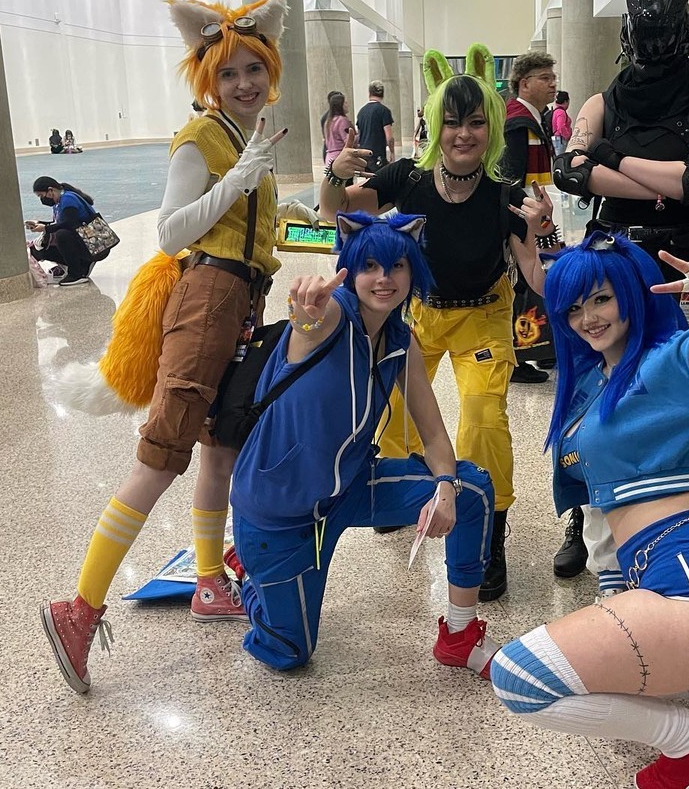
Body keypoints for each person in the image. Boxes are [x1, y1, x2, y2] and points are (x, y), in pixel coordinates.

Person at [40, 0, 291, 693]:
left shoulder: (246, 136)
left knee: (220, 447)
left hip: (240, 300)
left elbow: (243, 225)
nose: (244, 82)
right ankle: (78, 609)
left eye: (254, 69)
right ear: (208, 78)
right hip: (207, 300)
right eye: (229, 72)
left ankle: (209, 579)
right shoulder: (203, 139)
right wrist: (239, 178)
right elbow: (173, 230)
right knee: (161, 454)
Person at [491, 234, 689, 789]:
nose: (587, 318)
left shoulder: (676, 357)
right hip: (657, 575)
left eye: (601, 299)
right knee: (600, 677)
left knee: (518, 677)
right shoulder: (592, 384)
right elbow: (601, 504)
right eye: (573, 307)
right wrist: (613, 589)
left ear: (633, 294)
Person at [319, 44, 555, 603]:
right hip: (420, 316)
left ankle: (488, 528)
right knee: (392, 412)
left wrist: (541, 233)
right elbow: (334, 210)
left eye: (475, 122)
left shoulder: (507, 195)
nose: (463, 134)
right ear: (435, 127)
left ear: (491, 127)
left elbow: (537, 278)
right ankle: (402, 494)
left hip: (485, 316)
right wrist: (332, 173)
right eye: (452, 122)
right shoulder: (409, 178)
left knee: (482, 416)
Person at [231, 211, 500, 675]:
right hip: (280, 510)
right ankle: (249, 575)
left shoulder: (400, 340)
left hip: (350, 488)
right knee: (289, 652)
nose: (383, 279)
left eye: (397, 266)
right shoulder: (333, 315)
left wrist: (445, 487)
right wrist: (304, 314)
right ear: (349, 270)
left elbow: (435, 434)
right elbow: (307, 325)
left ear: (413, 271)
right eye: (369, 266)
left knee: (470, 488)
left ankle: (458, 635)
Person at [551, 0, 689, 600]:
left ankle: (666, 514)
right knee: (587, 395)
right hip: (610, 259)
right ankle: (584, 513)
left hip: (680, 269)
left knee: (671, 393)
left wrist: (615, 158)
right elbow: (571, 173)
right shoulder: (604, 100)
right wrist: (665, 180)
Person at [502, 49, 558, 386]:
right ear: (524, 83)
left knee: (535, 281)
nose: (553, 84)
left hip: (534, 215)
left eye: (553, 77)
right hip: (523, 218)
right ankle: (517, 356)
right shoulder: (517, 123)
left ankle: (542, 346)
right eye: (545, 78)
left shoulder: (532, 118)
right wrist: (525, 224)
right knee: (522, 284)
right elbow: (511, 178)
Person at [27, 176, 100, 286]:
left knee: (62, 235)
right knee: (39, 250)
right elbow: (59, 223)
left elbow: (69, 224)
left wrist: (45, 228)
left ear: (50, 190)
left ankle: (77, 273)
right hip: (83, 241)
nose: (42, 199)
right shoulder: (59, 202)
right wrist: (39, 223)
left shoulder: (68, 199)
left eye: (41, 195)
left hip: (93, 244)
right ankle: (81, 265)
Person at [356, 80, 395, 173]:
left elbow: (359, 134)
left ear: (369, 93)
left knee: (367, 179)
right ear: (382, 94)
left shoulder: (361, 112)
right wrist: (392, 152)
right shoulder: (384, 111)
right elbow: (389, 137)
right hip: (377, 154)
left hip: (364, 154)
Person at [323, 91, 352, 166]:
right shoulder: (342, 120)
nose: (347, 105)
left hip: (329, 157)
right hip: (340, 157)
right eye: (345, 103)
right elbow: (347, 140)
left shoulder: (328, 121)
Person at [551, 90, 572, 155]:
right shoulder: (561, 112)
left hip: (557, 139)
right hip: (561, 140)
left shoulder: (556, 111)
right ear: (565, 101)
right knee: (561, 157)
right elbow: (561, 127)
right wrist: (567, 136)